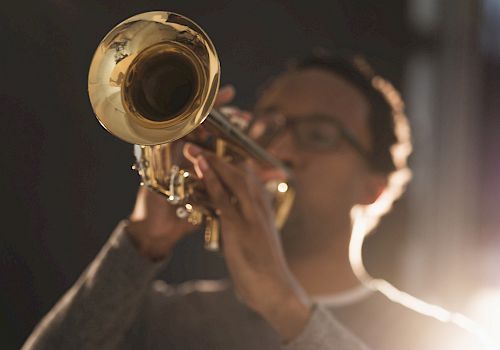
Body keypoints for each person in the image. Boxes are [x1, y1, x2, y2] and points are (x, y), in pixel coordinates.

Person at [23, 53, 485, 350]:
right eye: (269, 125)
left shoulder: (442, 338)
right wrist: (142, 241)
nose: (281, 150)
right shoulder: (165, 319)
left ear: (376, 186)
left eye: (319, 136)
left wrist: (286, 308)